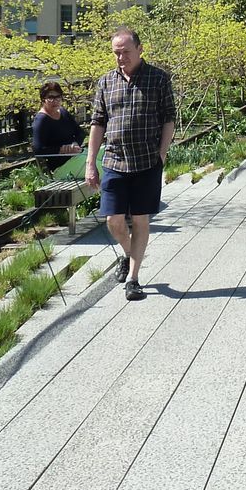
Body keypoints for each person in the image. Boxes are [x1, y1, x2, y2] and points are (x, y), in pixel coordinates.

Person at [86, 26, 177, 301]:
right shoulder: (105, 82)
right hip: (114, 160)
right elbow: (97, 123)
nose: (121, 57)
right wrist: (91, 162)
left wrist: (162, 154)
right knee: (113, 220)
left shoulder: (158, 79)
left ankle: (133, 278)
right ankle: (129, 253)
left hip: (147, 161)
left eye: (125, 52)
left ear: (140, 49)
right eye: (116, 53)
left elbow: (169, 119)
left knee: (140, 219)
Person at [31, 81, 84, 158]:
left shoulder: (63, 112)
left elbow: (80, 132)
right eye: (50, 98)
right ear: (43, 99)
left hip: (75, 155)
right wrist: (61, 150)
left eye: (58, 97)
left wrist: (75, 144)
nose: (55, 101)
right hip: (58, 163)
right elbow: (39, 150)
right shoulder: (41, 120)